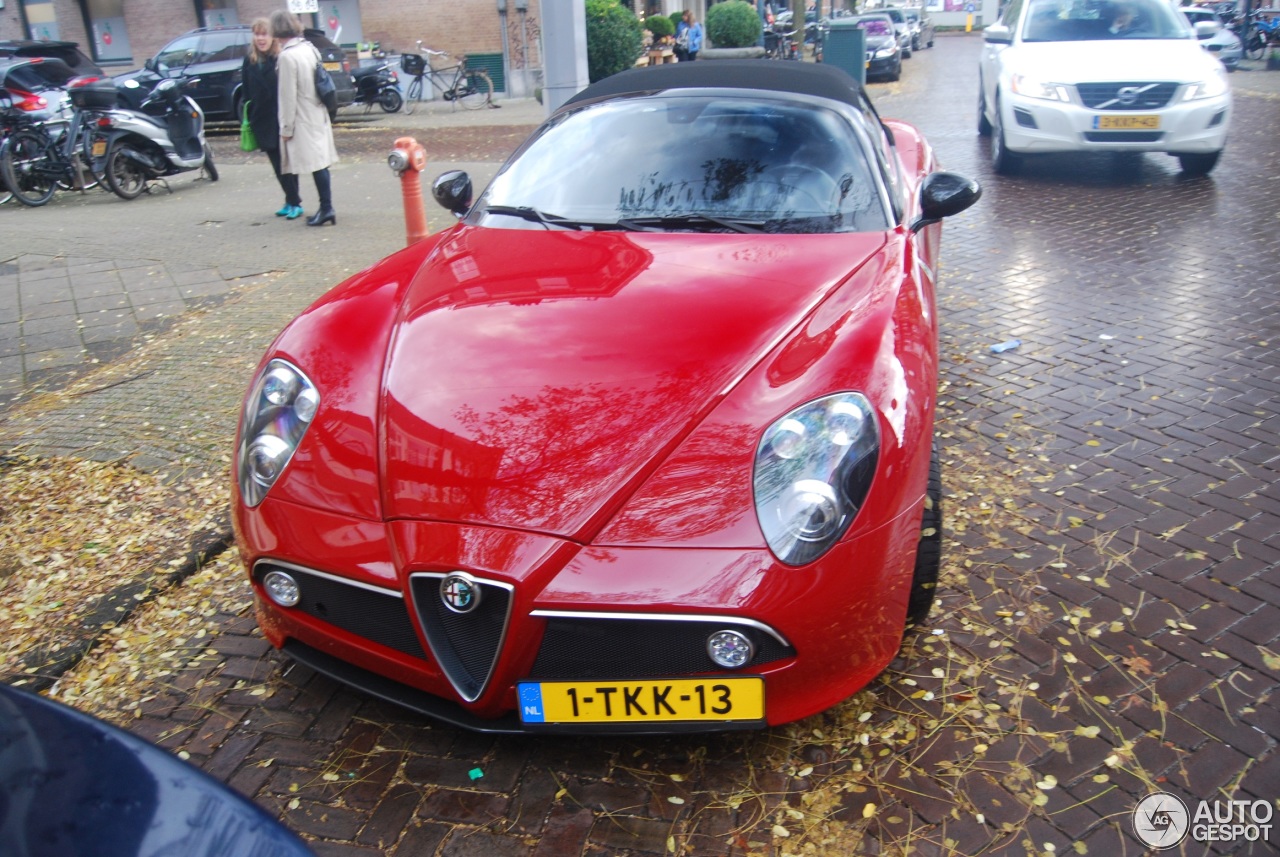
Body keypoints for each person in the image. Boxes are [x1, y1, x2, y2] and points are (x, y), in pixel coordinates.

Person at [271, 10, 339, 226]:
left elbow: (287, 97)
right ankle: (326, 207)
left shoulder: (287, 56)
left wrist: (286, 129)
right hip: (317, 112)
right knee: (321, 163)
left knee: (316, 164)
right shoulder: (308, 48)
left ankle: (327, 208)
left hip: (303, 118)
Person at [241, 18, 302, 219]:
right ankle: (290, 200)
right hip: (262, 120)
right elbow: (246, 92)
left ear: (273, 36)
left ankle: (294, 201)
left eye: (264, 34)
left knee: (287, 164)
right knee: (277, 164)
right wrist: (247, 116)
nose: (260, 38)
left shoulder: (280, 58)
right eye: (257, 34)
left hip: (281, 117)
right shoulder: (249, 60)